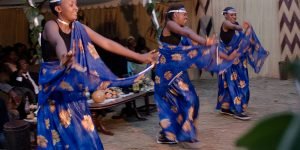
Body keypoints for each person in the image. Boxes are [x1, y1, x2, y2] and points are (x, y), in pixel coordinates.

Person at [37, 0, 156, 149]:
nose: (76, 8)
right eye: (71, 5)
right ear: (59, 8)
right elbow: (57, 41)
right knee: (59, 143)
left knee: (87, 141)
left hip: (75, 96)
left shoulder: (78, 27)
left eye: (76, 4)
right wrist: (64, 57)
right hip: (55, 98)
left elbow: (107, 43)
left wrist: (140, 57)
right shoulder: (50, 25)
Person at [154, 4, 239, 147]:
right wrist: (206, 41)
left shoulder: (183, 30)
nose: (186, 16)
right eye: (184, 13)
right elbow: (188, 34)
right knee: (172, 103)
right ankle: (167, 134)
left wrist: (225, 55)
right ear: (175, 15)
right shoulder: (169, 24)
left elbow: (197, 42)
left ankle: (173, 131)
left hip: (179, 72)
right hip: (165, 75)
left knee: (192, 101)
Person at [216, 7, 269, 120]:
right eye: (232, 15)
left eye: (235, 15)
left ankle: (226, 108)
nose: (234, 17)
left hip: (238, 62)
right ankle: (238, 111)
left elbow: (242, 42)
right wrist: (243, 28)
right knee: (236, 85)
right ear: (225, 15)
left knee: (230, 86)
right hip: (229, 63)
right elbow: (236, 27)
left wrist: (246, 32)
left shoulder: (235, 25)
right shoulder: (225, 24)